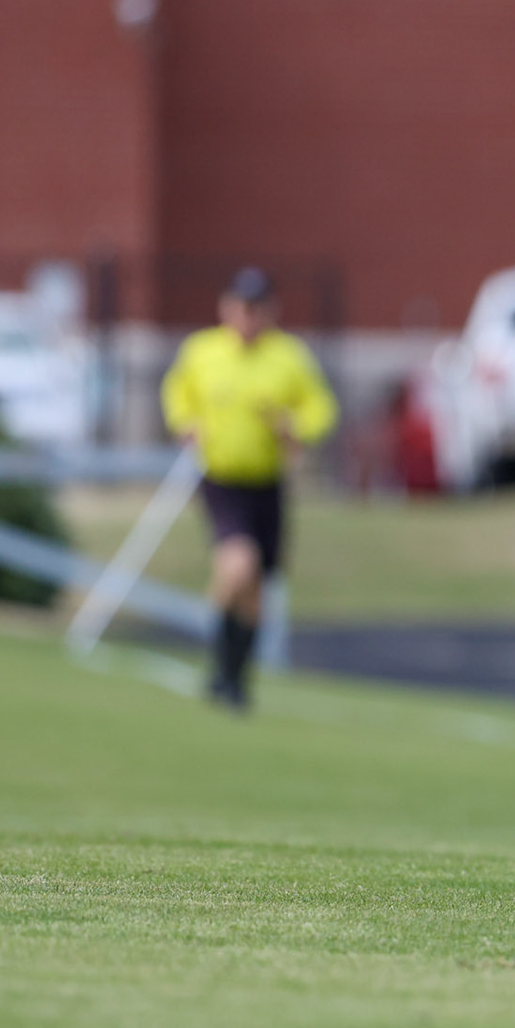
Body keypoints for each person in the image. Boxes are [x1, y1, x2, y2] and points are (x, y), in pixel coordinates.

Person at [160, 268, 338, 710]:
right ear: (226, 308)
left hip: (266, 481)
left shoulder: (289, 357)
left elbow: (321, 408)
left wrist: (296, 427)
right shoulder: (203, 352)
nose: (248, 316)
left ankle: (235, 681)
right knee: (238, 566)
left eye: (257, 308)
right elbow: (177, 392)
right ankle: (219, 665)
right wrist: (185, 423)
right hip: (222, 478)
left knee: (257, 589)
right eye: (242, 306)